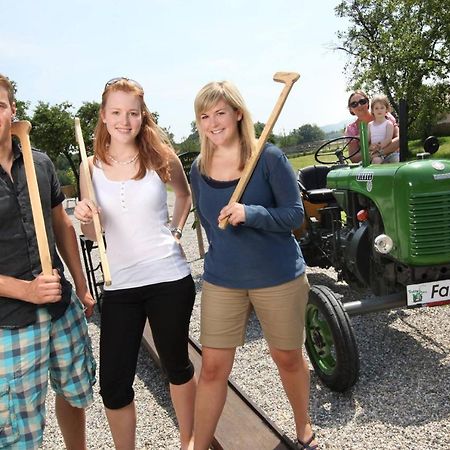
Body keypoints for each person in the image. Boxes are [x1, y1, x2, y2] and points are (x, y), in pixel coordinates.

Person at [190, 81, 318, 450]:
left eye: (220, 113)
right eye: (204, 116)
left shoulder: (269, 158)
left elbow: (295, 216)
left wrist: (252, 213)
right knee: (213, 367)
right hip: (223, 279)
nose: (213, 122)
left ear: (237, 113)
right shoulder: (199, 168)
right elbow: (208, 221)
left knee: (287, 357)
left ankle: (303, 426)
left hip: (277, 276)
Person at [74, 77, 196, 450]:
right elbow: (95, 235)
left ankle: (189, 440)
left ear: (142, 115)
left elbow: (185, 196)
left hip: (169, 279)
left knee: (176, 366)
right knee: (113, 384)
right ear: (103, 115)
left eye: (132, 112)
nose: (124, 120)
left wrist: (174, 234)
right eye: (116, 112)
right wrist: (83, 218)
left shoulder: (161, 156)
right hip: (121, 286)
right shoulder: (89, 167)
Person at [0, 73, 96, 449]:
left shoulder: (40, 164)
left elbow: (61, 226)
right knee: (17, 426)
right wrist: (25, 289)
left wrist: (83, 288)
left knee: (74, 392)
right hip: (10, 322)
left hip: (61, 308)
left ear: (12, 112)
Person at [345, 89, 399, 163]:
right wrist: (371, 151)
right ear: (350, 109)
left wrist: (379, 152)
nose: (359, 105)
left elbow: (399, 139)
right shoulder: (351, 129)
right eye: (354, 104)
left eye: (362, 101)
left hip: (391, 156)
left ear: (367, 103)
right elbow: (354, 158)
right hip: (370, 162)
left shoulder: (385, 116)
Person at [368, 94, 395, 164]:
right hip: (375, 153)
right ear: (372, 110)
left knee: (397, 158)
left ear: (387, 109)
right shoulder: (370, 125)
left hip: (388, 152)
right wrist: (371, 147)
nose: (379, 110)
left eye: (382, 108)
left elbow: (388, 139)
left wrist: (379, 146)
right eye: (376, 108)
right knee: (376, 161)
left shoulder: (388, 124)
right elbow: (367, 140)